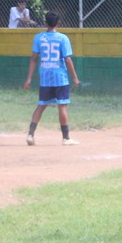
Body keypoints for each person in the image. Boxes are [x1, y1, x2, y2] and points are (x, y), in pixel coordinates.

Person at [23, 12, 80, 146]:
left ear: (45, 23)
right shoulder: (63, 38)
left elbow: (33, 58)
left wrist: (29, 79)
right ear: (58, 23)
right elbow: (67, 59)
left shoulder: (38, 38)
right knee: (62, 106)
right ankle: (66, 138)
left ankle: (30, 135)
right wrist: (75, 78)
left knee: (42, 105)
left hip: (45, 77)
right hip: (60, 78)